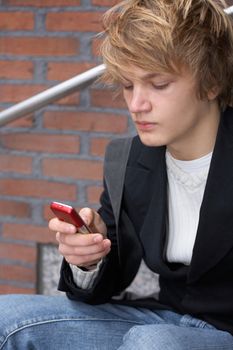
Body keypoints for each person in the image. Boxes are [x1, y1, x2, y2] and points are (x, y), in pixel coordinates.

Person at [1, 0, 233, 349]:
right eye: (127, 86)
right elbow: (107, 283)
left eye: (158, 84)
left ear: (211, 82)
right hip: (168, 319)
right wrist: (89, 258)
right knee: (7, 316)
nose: (137, 104)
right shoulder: (131, 160)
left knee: (152, 343)